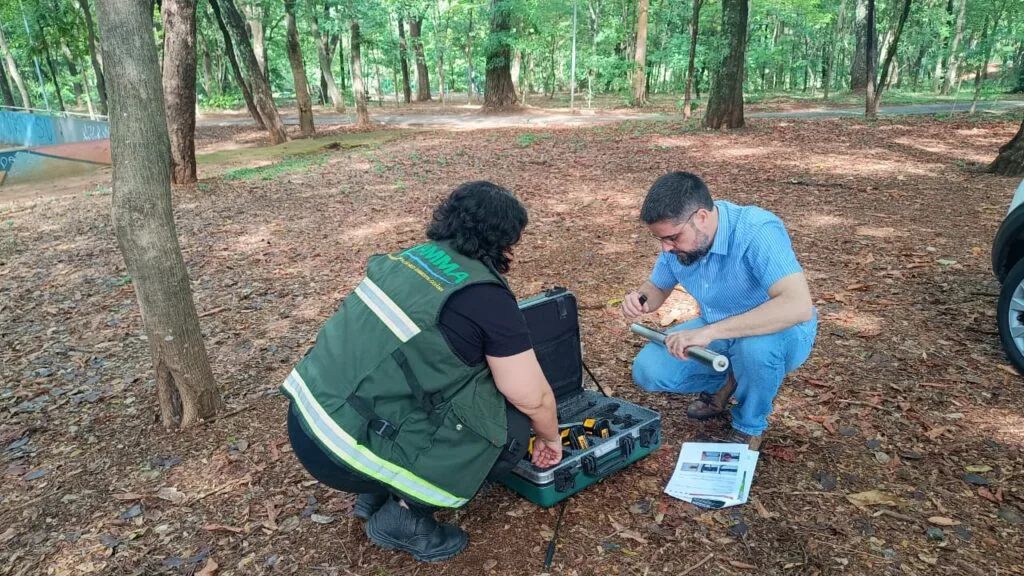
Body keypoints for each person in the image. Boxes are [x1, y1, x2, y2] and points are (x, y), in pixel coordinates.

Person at [281, 181, 563, 562]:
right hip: (342, 454)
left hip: (306, 421)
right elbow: (532, 396)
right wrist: (549, 437)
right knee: (511, 424)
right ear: (507, 242)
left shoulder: (409, 258)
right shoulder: (487, 298)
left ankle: (375, 491)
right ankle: (403, 516)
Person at [622, 171, 817, 450]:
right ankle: (727, 381)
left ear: (701, 217)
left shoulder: (757, 230)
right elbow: (657, 287)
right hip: (718, 329)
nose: (666, 248)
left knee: (755, 352)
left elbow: (797, 306)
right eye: (661, 240)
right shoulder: (679, 243)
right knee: (648, 369)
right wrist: (640, 299)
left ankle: (749, 424)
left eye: (672, 238)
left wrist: (708, 332)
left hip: (778, 330)